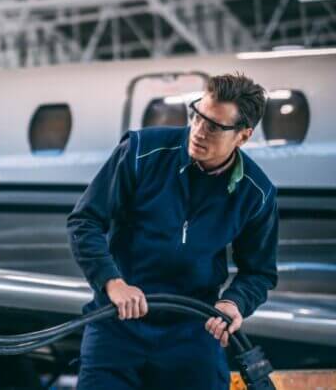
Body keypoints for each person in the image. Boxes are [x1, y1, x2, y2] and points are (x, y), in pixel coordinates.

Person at [67, 73, 277, 389]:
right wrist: (112, 282)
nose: (199, 131)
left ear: (243, 137)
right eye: (198, 116)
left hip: (193, 331)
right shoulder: (140, 152)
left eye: (214, 127)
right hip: (118, 322)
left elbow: (259, 272)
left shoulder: (256, 193)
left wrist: (234, 303)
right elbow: (85, 222)